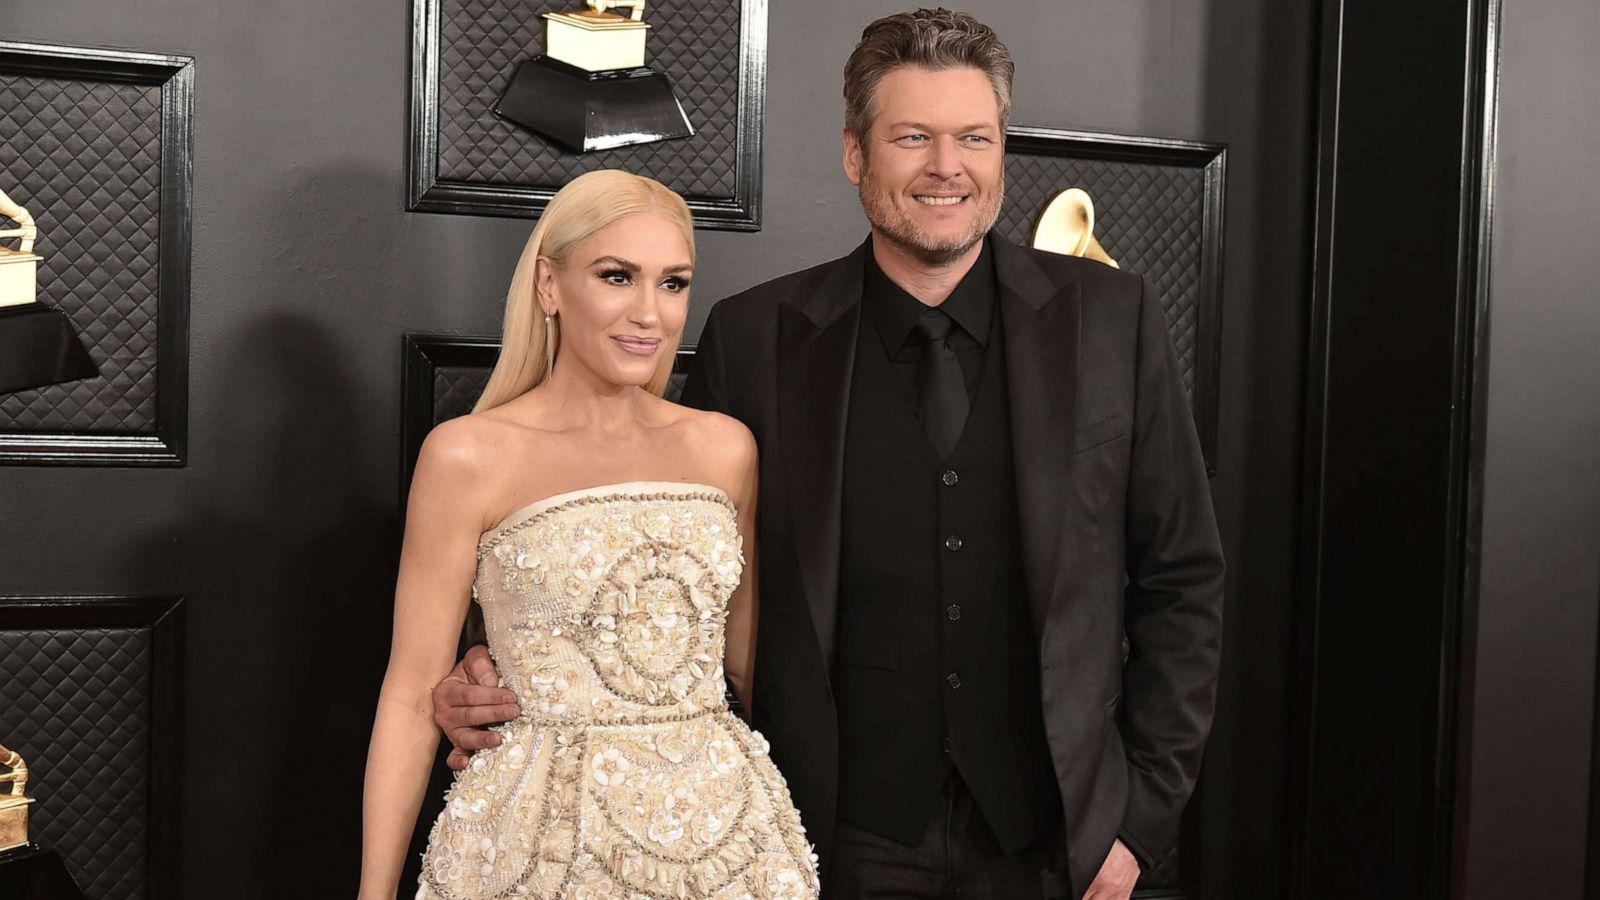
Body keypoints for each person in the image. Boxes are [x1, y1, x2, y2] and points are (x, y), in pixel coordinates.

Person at [433, 9, 1225, 899]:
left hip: (1060, 843)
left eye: (975, 137)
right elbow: (642, 547)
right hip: (826, 841)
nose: (947, 167)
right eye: (912, 136)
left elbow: (1182, 577)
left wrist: (1138, 823)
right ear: (856, 155)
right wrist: (492, 661)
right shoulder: (757, 339)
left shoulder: (1112, 320)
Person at [357, 170, 820, 900]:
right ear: (549, 285)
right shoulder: (468, 456)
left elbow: (753, 669)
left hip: (727, 844)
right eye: (616, 276)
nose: (650, 313)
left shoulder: (725, 450)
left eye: (673, 283)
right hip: (535, 849)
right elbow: (412, 694)